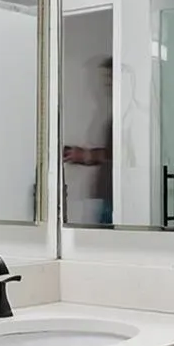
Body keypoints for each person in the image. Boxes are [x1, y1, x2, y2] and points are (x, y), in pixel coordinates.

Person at [63, 55, 113, 225]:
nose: (107, 86)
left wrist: (86, 155)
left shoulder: (129, 118)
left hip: (116, 200)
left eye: (110, 80)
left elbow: (122, 154)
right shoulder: (110, 115)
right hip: (106, 197)